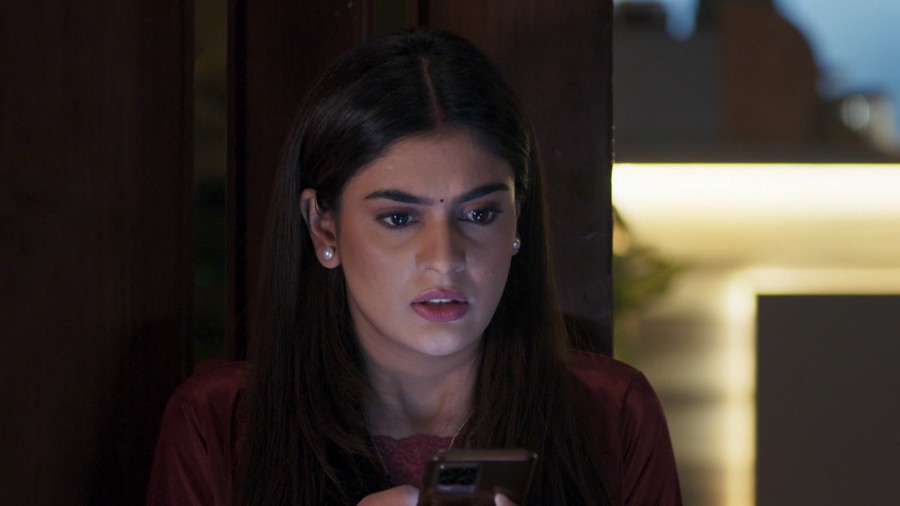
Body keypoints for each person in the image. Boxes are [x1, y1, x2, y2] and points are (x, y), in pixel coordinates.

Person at [146, 30, 681, 505]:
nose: (444, 259)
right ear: (324, 228)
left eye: (479, 214)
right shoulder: (221, 424)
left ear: (518, 218)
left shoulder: (611, 415)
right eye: (399, 218)